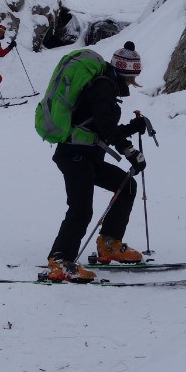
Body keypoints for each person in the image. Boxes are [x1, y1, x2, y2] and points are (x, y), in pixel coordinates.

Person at [45, 41, 154, 282]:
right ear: (125, 73)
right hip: (74, 154)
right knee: (81, 208)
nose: (131, 84)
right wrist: (128, 150)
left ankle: (109, 244)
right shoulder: (104, 87)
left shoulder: (104, 85)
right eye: (131, 78)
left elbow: (101, 126)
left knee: (126, 186)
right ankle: (60, 260)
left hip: (86, 154)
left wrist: (132, 128)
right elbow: (106, 128)